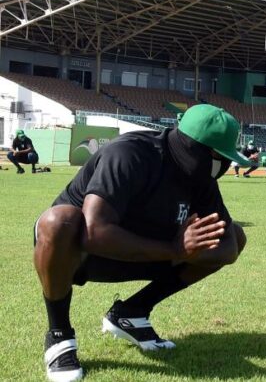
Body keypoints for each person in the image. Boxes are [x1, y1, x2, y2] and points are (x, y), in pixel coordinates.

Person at [33, 104, 249, 382]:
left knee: (235, 232)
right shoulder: (130, 154)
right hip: (80, 255)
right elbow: (94, 232)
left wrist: (190, 249)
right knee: (57, 221)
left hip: (147, 253)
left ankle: (131, 314)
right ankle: (59, 335)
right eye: (223, 159)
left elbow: (231, 244)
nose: (226, 167)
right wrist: (175, 249)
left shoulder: (200, 175)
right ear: (198, 149)